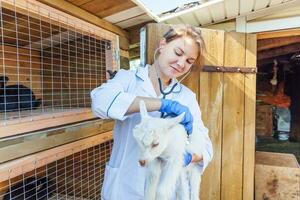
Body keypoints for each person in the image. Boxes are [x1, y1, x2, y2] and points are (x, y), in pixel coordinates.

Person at [91, 24, 213, 200]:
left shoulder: (187, 98)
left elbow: (206, 148)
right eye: (178, 53)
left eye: (189, 61)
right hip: (123, 187)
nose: (181, 63)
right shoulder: (128, 79)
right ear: (162, 45)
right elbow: (100, 101)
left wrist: (185, 156)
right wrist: (161, 104)